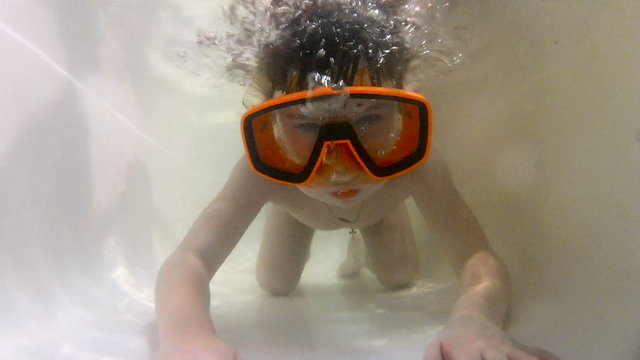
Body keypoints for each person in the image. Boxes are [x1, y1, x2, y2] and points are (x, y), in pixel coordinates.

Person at [155, 2, 556, 359]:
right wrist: (186, 336)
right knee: (276, 285)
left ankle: (372, 228)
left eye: (368, 119)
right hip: (298, 212)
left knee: (400, 280)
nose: (342, 167)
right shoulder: (260, 174)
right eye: (309, 125)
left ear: (404, 113)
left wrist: (476, 320)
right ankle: (302, 219)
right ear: (272, 121)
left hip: (379, 210)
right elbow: (188, 261)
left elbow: (477, 259)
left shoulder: (419, 167)